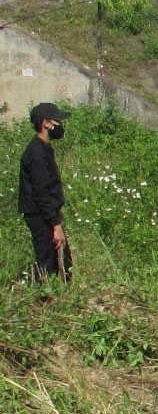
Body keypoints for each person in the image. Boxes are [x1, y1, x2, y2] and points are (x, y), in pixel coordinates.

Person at [19, 102, 73, 281]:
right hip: (40, 215)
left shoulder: (43, 148)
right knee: (47, 264)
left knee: (63, 264)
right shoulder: (37, 154)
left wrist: (56, 216)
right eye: (56, 121)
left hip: (47, 214)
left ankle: (57, 298)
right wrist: (55, 225)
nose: (59, 125)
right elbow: (41, 193)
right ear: (45, 124)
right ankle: (40, 299)